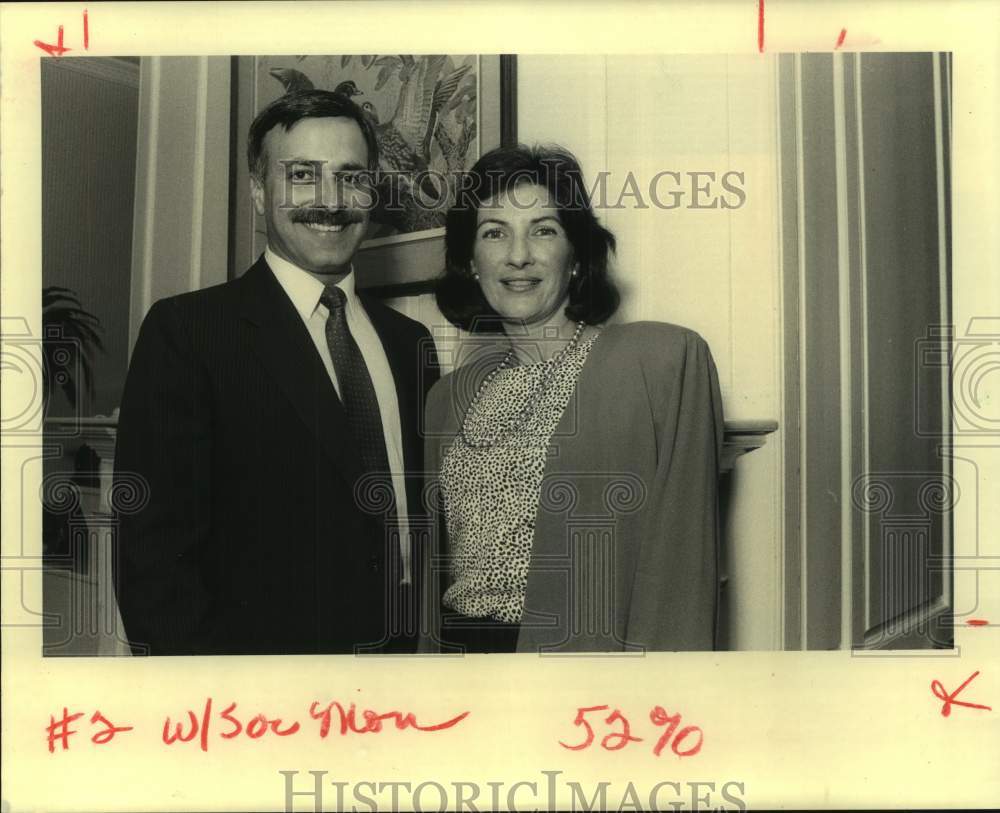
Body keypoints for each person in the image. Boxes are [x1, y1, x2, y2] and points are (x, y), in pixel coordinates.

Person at [113, 90, 438, 655]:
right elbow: (154, 558)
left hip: (402, 672)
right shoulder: (190, 332)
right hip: (260, 696)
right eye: (303, 175)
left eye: (351, 176)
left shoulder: (410, 342)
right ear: (260, 193)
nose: (331, 201)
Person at [421, 145, 723, 653]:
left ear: (577, 255)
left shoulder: (663, 362)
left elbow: (681, 570)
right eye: (494, 232)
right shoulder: (448, 396)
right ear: (471, 262)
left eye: (543, 229)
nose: (518, 255)